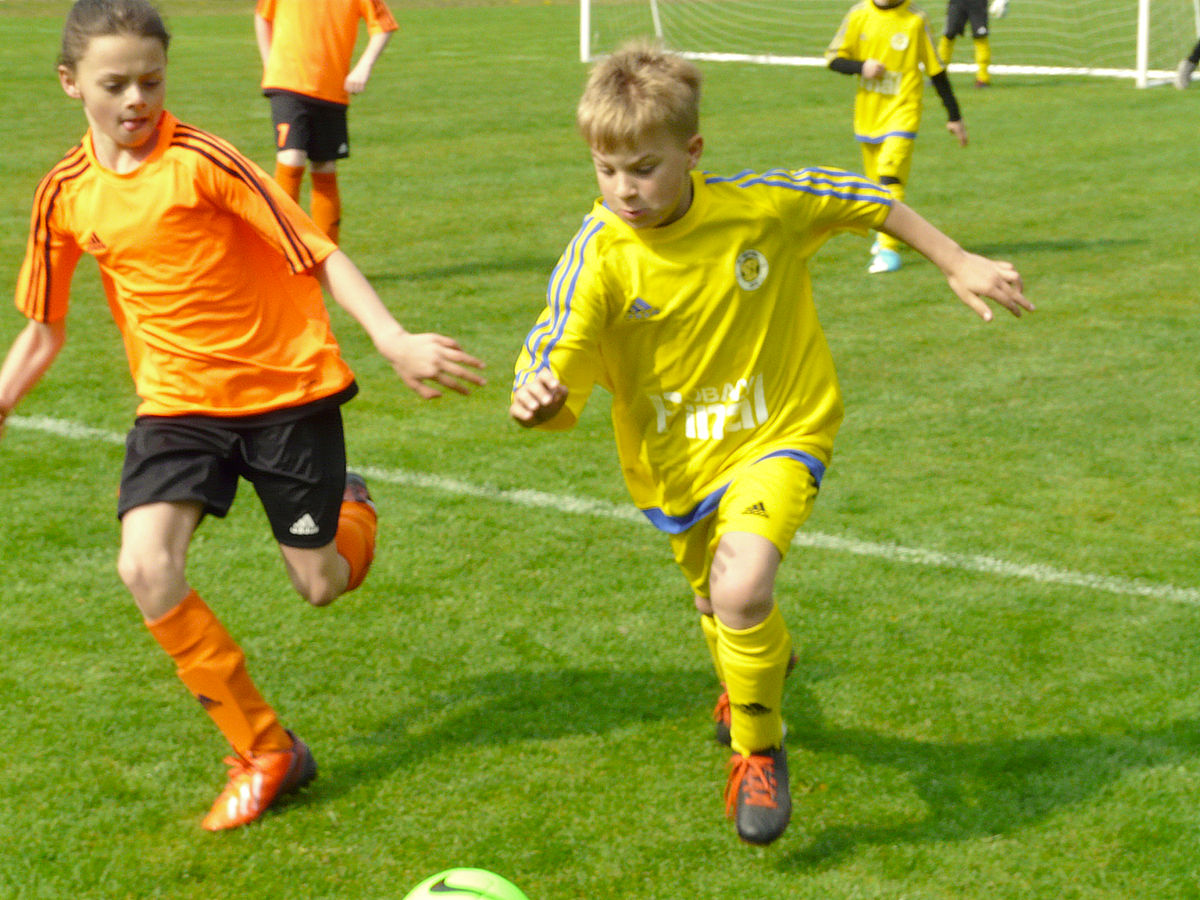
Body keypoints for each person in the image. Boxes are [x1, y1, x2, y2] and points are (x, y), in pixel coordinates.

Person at [509, 40, 1030, 846]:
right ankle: (752, 669)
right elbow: (557, 360)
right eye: (605, 170)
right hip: (675, 464)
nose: (624, 190)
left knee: (743, 590)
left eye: (643, 168)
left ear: (693, 151)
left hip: (784, 430)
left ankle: (758, 750)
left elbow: (867, 198)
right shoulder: (597, 259)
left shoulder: (762, 206)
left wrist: (955, 259)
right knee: (716, 604)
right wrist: (537, 400)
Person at [0, 0, 484, 831]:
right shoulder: (64, 194)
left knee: (320, 584)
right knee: (144, 565)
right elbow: (43, 329)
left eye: (151, 80)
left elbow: (318, 250)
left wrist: (394, 339)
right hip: (177, 408)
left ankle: (350, 505)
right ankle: (266, 750)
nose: (136, 99)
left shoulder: (205, 162)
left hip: (284, 395)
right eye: (114, 84)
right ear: (70, 83)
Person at [827, 0, 968, 274]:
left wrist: (954, 115)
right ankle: (887, 234)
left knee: (889, 175)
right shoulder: (858, 15)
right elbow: (833, 59)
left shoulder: (916, 20)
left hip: (904, 110)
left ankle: (888, 251)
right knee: (874, 187)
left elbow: (936, 70)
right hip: (868, 115)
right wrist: (861, 67)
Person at [254, 0, 398, 243]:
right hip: (287, 82)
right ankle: (284, 248)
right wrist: (269, 63)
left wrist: (364, 67)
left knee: (324, 168)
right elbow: (262, 16)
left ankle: (327, 253)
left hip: (332, 89)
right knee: (292, 159)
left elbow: (384, 26)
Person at [938, 0, 996, 89]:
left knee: (980, 37)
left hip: (978, 3)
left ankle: (983, 78)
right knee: (948, 35)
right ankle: (939, 75)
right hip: (957, 3)